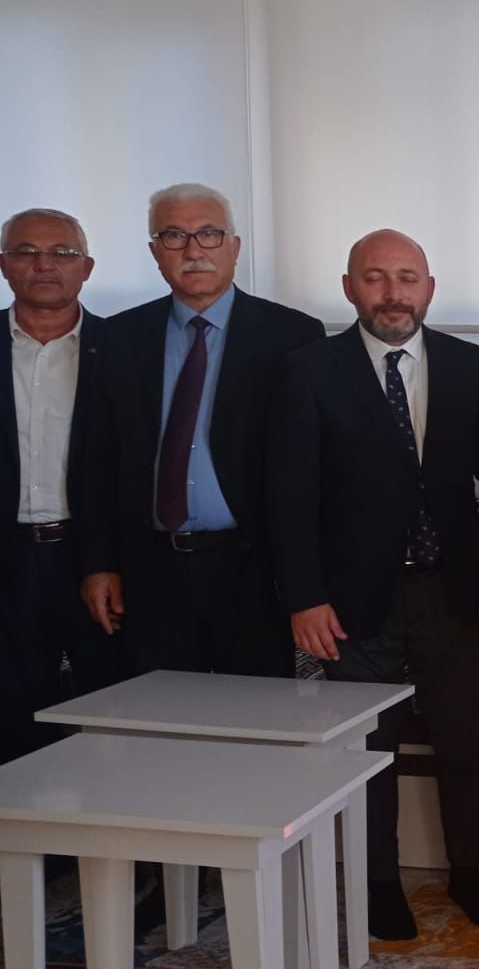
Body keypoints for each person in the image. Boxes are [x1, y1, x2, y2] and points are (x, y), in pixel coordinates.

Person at [269, 229, 479, 940]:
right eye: (375, 277)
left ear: (429, 288)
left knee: (464, 741)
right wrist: (303, 597)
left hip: (452, 588)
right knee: (368, 747)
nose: (393, 293)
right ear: (349, 288)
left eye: (407, 277)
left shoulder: (468, 364)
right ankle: (377, 880)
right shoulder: (310, 370)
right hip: (352, 600)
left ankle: (467, 870)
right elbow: (289, 494)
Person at [79, 184, 323, 676]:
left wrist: (305, 583)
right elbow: (98, 459)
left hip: (251, 569)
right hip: (150, 570)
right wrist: (99, 562)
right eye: (174, 235)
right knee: (159, 713)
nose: (193, 250)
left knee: (255, 713)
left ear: (234, 246)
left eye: (209, 234)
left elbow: (307, 468)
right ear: (155, 252)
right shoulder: (120, 337)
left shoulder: (293, 335)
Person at [1, 208, 124, 764]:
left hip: (93, 560)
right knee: (12, 720)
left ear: (87, 267)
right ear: (4, 265)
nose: (44, 265)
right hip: (9, 559)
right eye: (26, 252)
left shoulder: (123, 348)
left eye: (63, 253)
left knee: (111, 717)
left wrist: (107, 559)